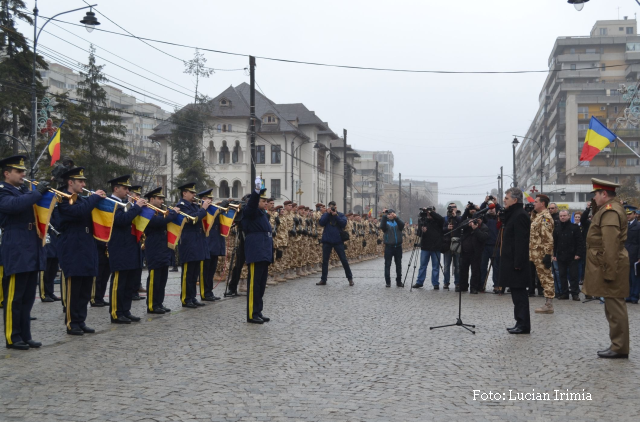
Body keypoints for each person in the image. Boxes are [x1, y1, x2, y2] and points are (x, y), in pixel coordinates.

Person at [0, 155, 48, 350]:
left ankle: (26, 335)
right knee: (14, 296)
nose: (23, 174)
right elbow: (13, 206)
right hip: (16, 246)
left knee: (28, 297)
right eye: (18, 171)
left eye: (23, 171)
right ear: (6, 173)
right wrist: (37, 193)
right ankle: (13, 336)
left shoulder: (23, 190)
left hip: (30, 245)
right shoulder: (3, 191)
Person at [582, 179, 630, 359]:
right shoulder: (607, 209)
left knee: (615, 307)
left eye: (596, 194)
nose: (594, 198)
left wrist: (609, 271)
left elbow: (610, 245)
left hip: (611, 264)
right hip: (609, 262)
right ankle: (617, 345)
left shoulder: (610, 212)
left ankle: (619, 347)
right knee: (612, 306)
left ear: (604, 194)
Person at [56, 167, 106, 335]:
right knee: (75, 287)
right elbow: (77, 212)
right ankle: (72, 322)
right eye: (80, 181)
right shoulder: (63, 198)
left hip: (87, 244)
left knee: (85, 287)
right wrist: (94, 199)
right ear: (71, 182)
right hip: (72, 245)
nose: (84, 184)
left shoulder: (84, 199)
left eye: (84, 181)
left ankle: (81, 320)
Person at [107, 175, 146, 324]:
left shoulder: (125, 203)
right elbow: (121, 221)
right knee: (119, 283)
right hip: (119, 247)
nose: (128, 191)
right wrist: (136, 208)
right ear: (116, 189)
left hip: (130, 247)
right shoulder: (110, 203)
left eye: (128, 188)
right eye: (125, 188)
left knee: (129, 282)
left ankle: (126, 310)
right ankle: (116, 313)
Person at [499, 187, 531, 335]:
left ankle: (523, 324)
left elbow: (521, 242)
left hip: (517, 264)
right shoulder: (513, 214)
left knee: (520, 295)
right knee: (515, 294)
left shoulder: (520, 215)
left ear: (515, 200)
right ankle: (519, 321)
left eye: (507, 198)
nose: (504, 200)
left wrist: (518, 263)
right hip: (511, 261)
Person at [242, 178, 273, 324]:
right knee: (254, 285)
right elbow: (252, 204)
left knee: (261, 285)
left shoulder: (262, 214)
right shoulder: (251, 211)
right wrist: (256, 191)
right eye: (263, 200)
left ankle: (258, 311)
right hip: (256, 251)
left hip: (264, 251)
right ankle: (251, 314)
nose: (266, 203)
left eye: (267, 201)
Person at [143, 187, 178, 314]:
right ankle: (152, 305)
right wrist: (173, 213)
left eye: (162, 198)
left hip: (163, 246)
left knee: (163, 277)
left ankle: (159, 303)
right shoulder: (146, 210)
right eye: (159, 198)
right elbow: (158, 222)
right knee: (154, 277)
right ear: (151, 199)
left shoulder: (161, 211)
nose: (162, 201)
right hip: (154, 245)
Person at [176, 182, 209, 308]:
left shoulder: (194, 205)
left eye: (195, 192)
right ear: (184, 193)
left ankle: (192, 297)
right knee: (188, 273)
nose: (194, 195)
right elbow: (193, 219)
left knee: (194, 273)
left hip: (197, 241)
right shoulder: (182, 205)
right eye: (192, 192)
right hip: (188, 242)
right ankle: (185, 298)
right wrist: (203, 209)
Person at [317, 200, 353, 286]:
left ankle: (350, 279)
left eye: (333, 207)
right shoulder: (326, 215)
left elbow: (343, 224)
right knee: (325, 261)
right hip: (327, 240)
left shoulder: (340, 215)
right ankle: (323, 279)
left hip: (338, 240)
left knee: (344, 260)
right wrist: (327, 213)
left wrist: (335, 215)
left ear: (336, 207)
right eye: (330, 207)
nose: (332, 208)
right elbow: (321, 223)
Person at [530, 194, 555, 314]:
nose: (533, 203)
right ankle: (547, 303)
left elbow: (548, 237)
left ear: (542, 203)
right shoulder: (538, 216)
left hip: (542, 253)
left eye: (535, 202)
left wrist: (548, 254)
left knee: (546, 277)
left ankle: (549, 305)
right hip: (536, 252)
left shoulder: (545, 217)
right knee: (542, 277)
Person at [198, 189, 225, 301]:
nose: (211, 200)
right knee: (205, 269)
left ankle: (209, 292)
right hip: (207, 242)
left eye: (211, 199)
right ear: (203, 199)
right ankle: (204, 293)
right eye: (208, 198)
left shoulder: (214, 209)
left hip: (216, 242)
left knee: (212, 269)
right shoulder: (202, 209)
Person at [553, 210, 585, 301]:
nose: (562, 217)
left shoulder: (574, 228)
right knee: (562, 275)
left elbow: (580, 242)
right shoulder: (557, 228)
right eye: (561, 216)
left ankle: (575, 293)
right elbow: (555, 243)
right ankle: (564, 293)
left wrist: (578, 253)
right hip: (561, 255)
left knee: (573, 276)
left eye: (564, 215)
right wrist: (554, 254)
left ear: (568, 216)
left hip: (572, 255)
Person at [459, 204, 489, 294]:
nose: (477, 221)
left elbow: (483, 238)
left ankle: (474, 288)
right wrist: (468, 224)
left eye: (479, 220)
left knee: (475, 271)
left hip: (476, 253)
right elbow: (459, 227)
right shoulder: (468, 222)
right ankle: (463, 286)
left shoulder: (484, 227)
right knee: (463, 270)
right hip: (465, 251)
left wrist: (476, 229)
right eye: (476, 220)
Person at [412, 208, 444, 289]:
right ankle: (419, 282)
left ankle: (435, 283)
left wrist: (431, 212)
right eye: (427, 213)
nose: (428, 215)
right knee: (423, 266)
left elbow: (441, 219)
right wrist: (422, 230)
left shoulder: (438, 221)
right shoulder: (423, 221)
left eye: (430, 213)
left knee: (435, 267)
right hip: (425, 247)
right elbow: (418, 234)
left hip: (436, 247)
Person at [480, 199, 501, 293]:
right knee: (483, 266)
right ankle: (482, 285)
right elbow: (480, 211)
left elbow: (501, 209)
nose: (491, 209)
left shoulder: (499, 218)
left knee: (496, 267)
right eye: (490, 208)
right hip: (485, 245)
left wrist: (496, 204)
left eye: (493, 208)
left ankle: (496, 285)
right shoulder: (485, 217)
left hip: (495, 245)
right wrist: (485, 203)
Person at [380, 209, 405, 287]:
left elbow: (402, 225)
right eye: (389, 214)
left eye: (392, 213)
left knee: (398, 265)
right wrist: (384, 215)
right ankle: (388, 282)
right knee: (387, 264)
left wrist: (396, 217)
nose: (391, 215)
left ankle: (399, 281)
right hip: (389, 247)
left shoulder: (397, 222)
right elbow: (382, 226)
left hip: (398, 247)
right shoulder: (386, 222)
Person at [129, 185, 146, 301]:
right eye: (136, 195)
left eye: (139, 195)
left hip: (139, 240)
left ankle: (135, 289)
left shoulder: (139, 207)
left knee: (138, 267)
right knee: (131, 268)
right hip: (129, 240)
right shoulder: (128, 206)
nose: (138, 197)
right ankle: (131, 291)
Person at [442, 202, 462, 290]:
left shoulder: (459, 218)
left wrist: (455, 216)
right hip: (447, 244)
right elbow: (441, 230)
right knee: (446, 265)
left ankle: (457, 282)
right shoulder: (445, 219)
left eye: (454, 207)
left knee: (457, 265)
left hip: (456, 244)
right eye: (450, 207)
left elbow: (462, 224)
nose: (452, 209)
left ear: (456, 208)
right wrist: (447, 228)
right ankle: (446, 282)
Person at [624, 206, 640, 305]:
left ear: (635, 214)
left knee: (635, 277)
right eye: (626, 214)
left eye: (630, 214)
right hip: (626, 254)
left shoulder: (638, 226)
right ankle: (628, 295)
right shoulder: (624, 225)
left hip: (635, 254)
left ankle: (634, 296)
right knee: (627, 277)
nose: (628, 216)